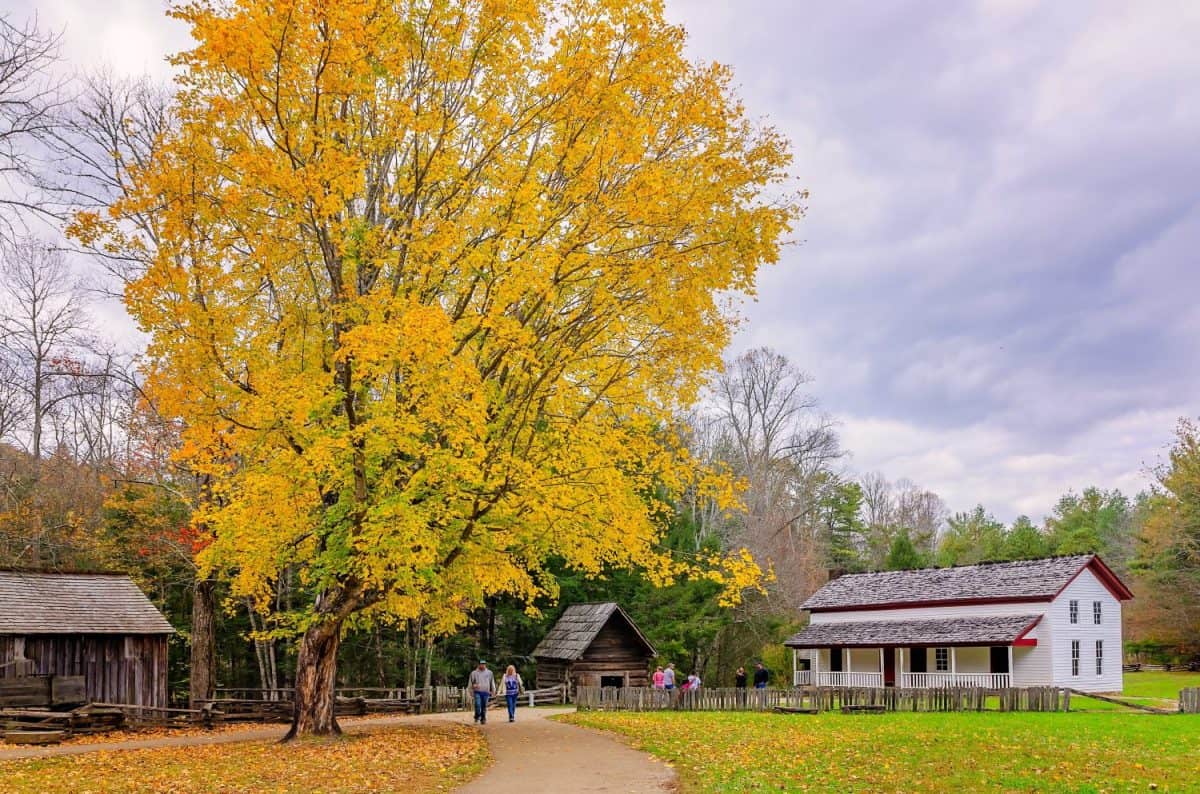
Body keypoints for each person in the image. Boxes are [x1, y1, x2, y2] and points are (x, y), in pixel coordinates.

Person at [469, 660, 496, 724]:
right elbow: (470, 683)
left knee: (484, 706)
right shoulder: (474, 673)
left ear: (485, 665)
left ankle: (483, 719)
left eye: (484, 664)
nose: (482, 665)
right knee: (478, 704)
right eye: (481, 664)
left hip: (486, 692)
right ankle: (477, 716)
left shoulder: (489, 673)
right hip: (477, 691)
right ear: (478, 665)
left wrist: (493, 690)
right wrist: (472, 689)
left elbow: (492, 682)